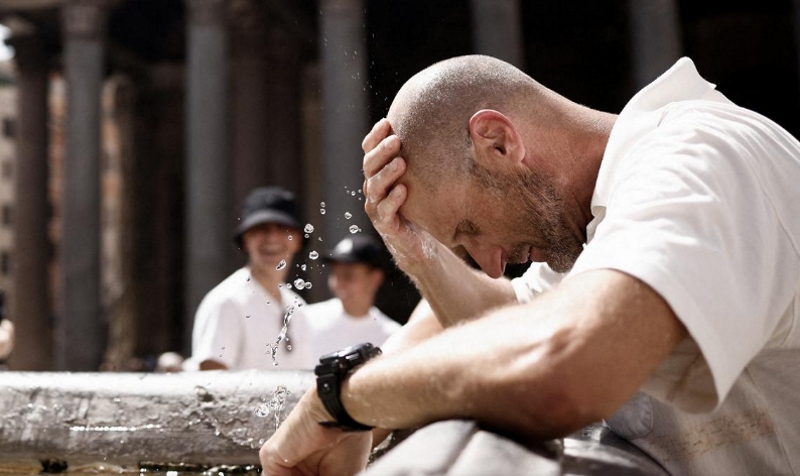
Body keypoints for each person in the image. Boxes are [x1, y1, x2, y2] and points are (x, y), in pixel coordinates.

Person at [259, 55, 800, 476]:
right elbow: (497, 320)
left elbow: (565, 368)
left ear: (497, 142)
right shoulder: (591, 222)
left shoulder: (700, 158)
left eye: (470, 230)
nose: (492, 266)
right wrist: (416, 250)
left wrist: (342, 399)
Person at [190, 186, 315, 371]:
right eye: (261, 229)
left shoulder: (297, 306)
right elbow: (211, 390)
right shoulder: (228, 303)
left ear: (297, 239)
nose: (272, 237)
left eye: (282, 228)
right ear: (246, 240)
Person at [305, 235, 401, 356]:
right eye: (335, 273)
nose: (339, 282)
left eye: (348, 274)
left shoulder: (392, 336)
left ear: (375, 278)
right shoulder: (307, 319)